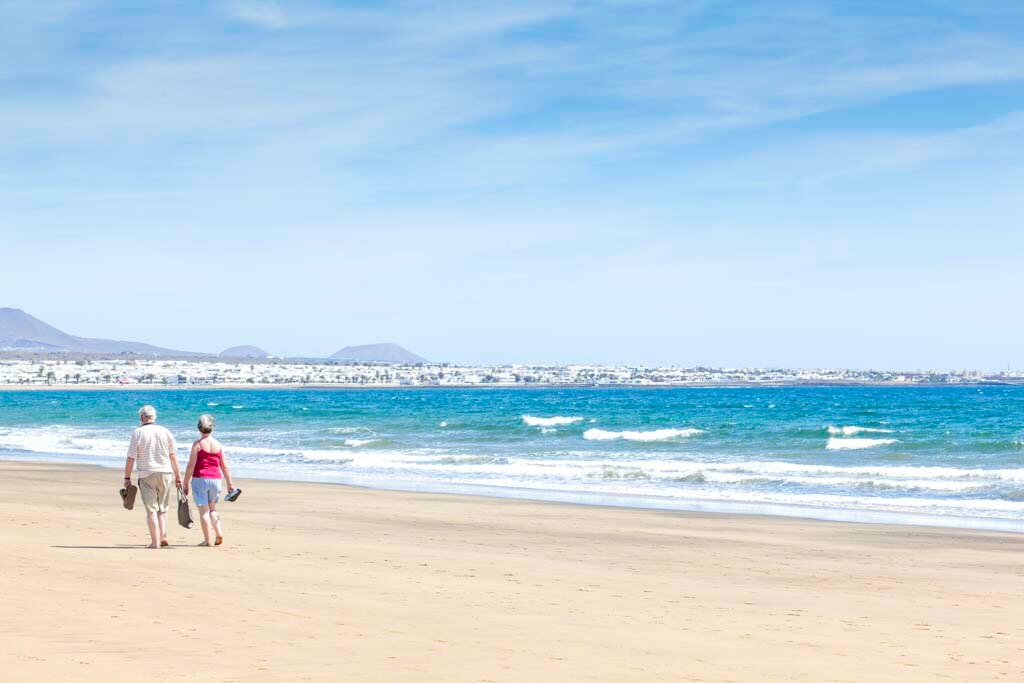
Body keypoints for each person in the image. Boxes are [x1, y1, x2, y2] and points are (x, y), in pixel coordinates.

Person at [123, 405, 182, 549]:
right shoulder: (166, 431)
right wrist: (178, 477)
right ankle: (163, 536)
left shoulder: (138, 432)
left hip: (147, 473)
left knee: (151, 510)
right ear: (154, 417)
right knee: (162, 508)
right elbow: (173, 456)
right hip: (166, 473)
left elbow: (131, 457)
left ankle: (155, 542)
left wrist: (127, 478)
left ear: (141, 417)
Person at [182, 414, 236, 547]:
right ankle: (218, 533)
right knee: (213, 509)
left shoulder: (198, 444)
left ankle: (207, 540)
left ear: (199, 428)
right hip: (216, 479)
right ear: (212, 428)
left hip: (200, 479)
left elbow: (191, 466)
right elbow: (224, 467)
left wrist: (185, 482)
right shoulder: (218, 445)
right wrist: (230, 484)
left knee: (203, 511)